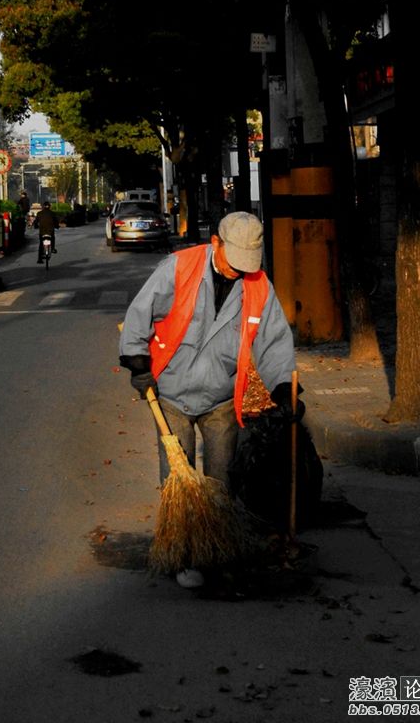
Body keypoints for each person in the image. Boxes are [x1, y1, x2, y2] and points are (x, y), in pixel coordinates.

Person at [118, 211, 301, 588]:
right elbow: (140, 313)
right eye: (233, 261)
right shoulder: (179, 268)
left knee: (220, 482)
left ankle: (217, 549)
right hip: (170, 392)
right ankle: (184, 554)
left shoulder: (258, 285)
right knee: (179, 482)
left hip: (221, 397)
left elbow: (274, 342)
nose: (239, 271)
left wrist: (284, 389)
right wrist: (138, 363)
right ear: (216, 243)